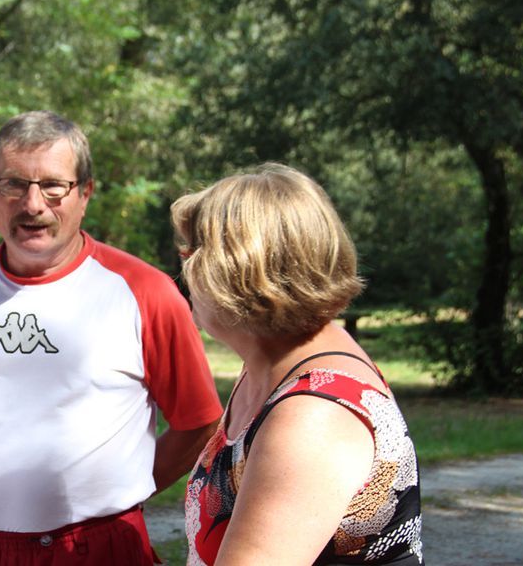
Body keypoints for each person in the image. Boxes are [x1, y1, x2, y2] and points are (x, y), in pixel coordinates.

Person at [0, 111, 224, 565]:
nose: (33, 204)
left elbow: (198, 420)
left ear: (85, 193)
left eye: (54, 186)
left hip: (96, 547)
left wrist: (123, 487)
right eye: (13, 184)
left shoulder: (144, 291)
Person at [171, 163, 423, 565]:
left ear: (235, 274)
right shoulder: (270, 362)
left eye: (191, 255)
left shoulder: (312, 415)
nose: (183, 273)